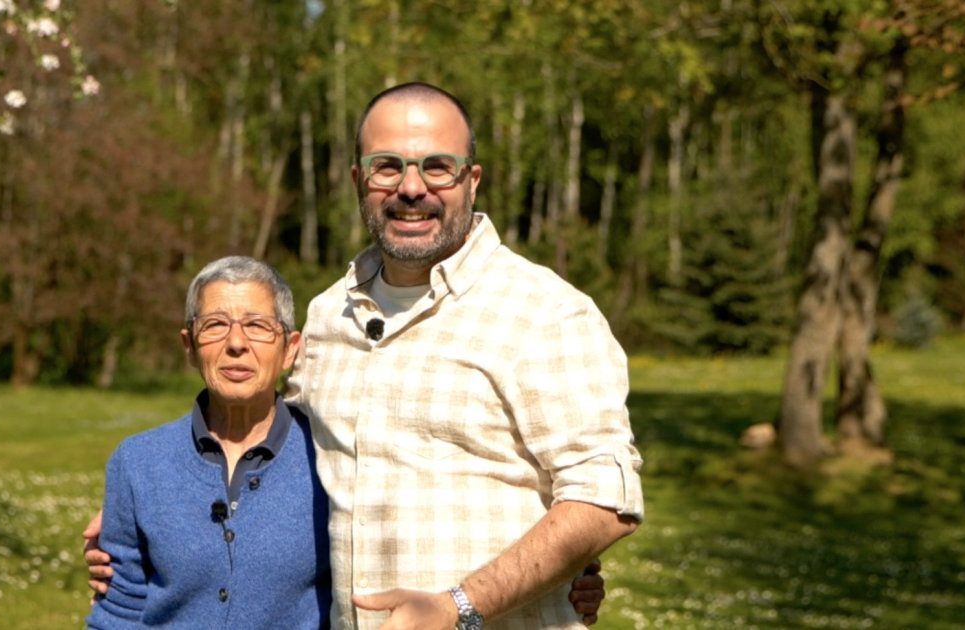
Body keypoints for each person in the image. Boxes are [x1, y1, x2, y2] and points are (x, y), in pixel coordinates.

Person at [87, 82, 642, 629]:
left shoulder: (544, 312)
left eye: (437, 167)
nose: (411, 187)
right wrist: (158, 516)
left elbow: (603, 502)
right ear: (359, 179)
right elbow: (270, 440)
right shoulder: (330, 316)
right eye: (387, 166)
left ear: (472, 180)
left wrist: (460, 606)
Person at [84, 256, 332, 629]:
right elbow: (118, 614)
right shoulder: (138, 463)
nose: (236, 343)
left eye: (257, 325)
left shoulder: (330, 459)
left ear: (289, 349)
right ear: (189, 346)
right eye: (215, 325)